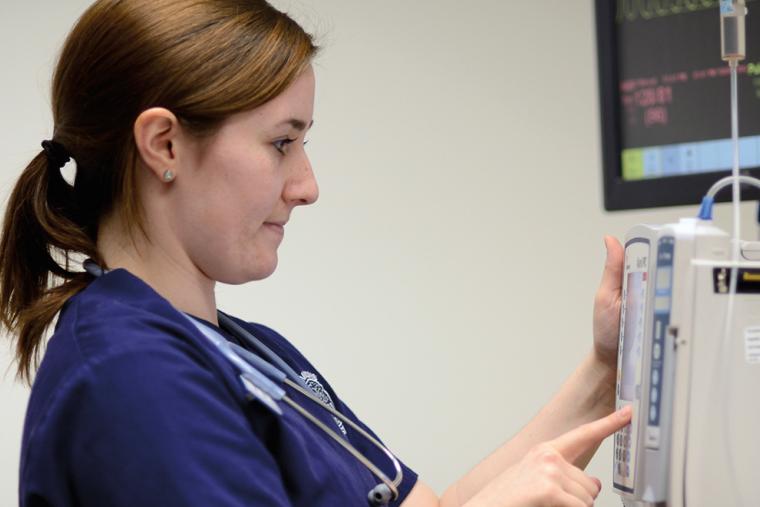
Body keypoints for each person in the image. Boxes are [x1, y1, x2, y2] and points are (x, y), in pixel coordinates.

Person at [0, 1, 630, 506]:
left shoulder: (247, 351)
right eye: (281, 143)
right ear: (164, 143)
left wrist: (607, 366)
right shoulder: (131, 376)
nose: (307, 186)